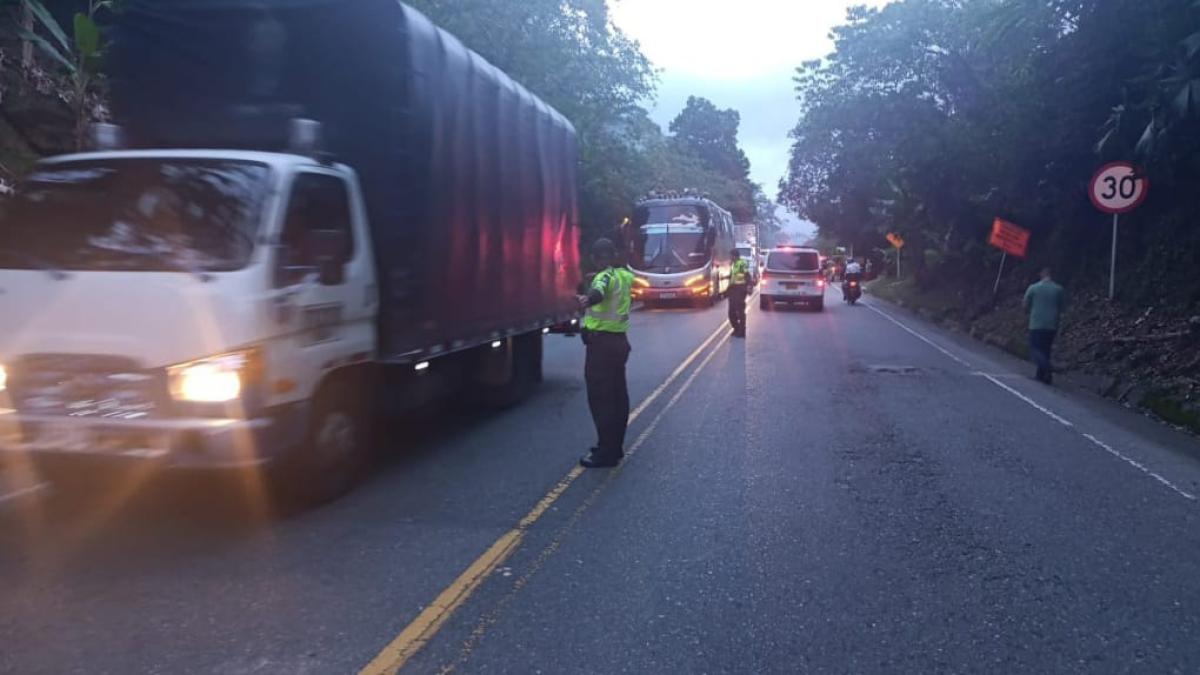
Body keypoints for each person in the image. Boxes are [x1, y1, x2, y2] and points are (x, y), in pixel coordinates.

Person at [576, 238, 634, 468]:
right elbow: (615, 280)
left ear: (594, 258)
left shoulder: (604, 277)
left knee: (601, 399)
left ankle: (606, 453)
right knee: (618, 396)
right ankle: (615, 446)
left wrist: (586, 299)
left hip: (602, 347)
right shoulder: (624, 275)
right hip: (619, 342)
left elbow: (599, 292)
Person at [1023, 267, 1067, 384]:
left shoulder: (1033, 288)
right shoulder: (1059, 289)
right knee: (1046, 350)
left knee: (1035, 349)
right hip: (1052, 325)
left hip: (1036, 323)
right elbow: (1063, 307)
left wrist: (1028, 312)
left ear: (1041, 275)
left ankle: (1047, 368)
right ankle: (1042, 375)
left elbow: (1025, 304)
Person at [728, 248, 750, 338]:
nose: (730, 257)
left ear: (734, 256)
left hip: (740, 290)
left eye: (731, 256)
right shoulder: (733, 264)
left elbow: (747, 275)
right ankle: (736, 329)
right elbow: (733, 276)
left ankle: (742, 331)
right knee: (731, 312)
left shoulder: (741, 263)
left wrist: (748, 286)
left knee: (740, 311)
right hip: (733, 289)